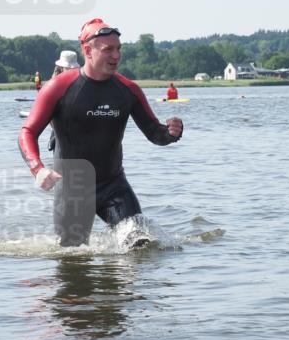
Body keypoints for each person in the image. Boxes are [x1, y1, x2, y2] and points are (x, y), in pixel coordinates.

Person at [19, 18, 184, 247]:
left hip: (113, 186)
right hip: (72, 190)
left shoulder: (128, 90)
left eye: (118, 49)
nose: (116, 56)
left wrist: (171, 133)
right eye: (108, 50)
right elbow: (27, 132)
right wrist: (37, 168)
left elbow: (154, 133)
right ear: (87, 50)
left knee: (141, 245)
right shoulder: (58, 88)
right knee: (72, 260)